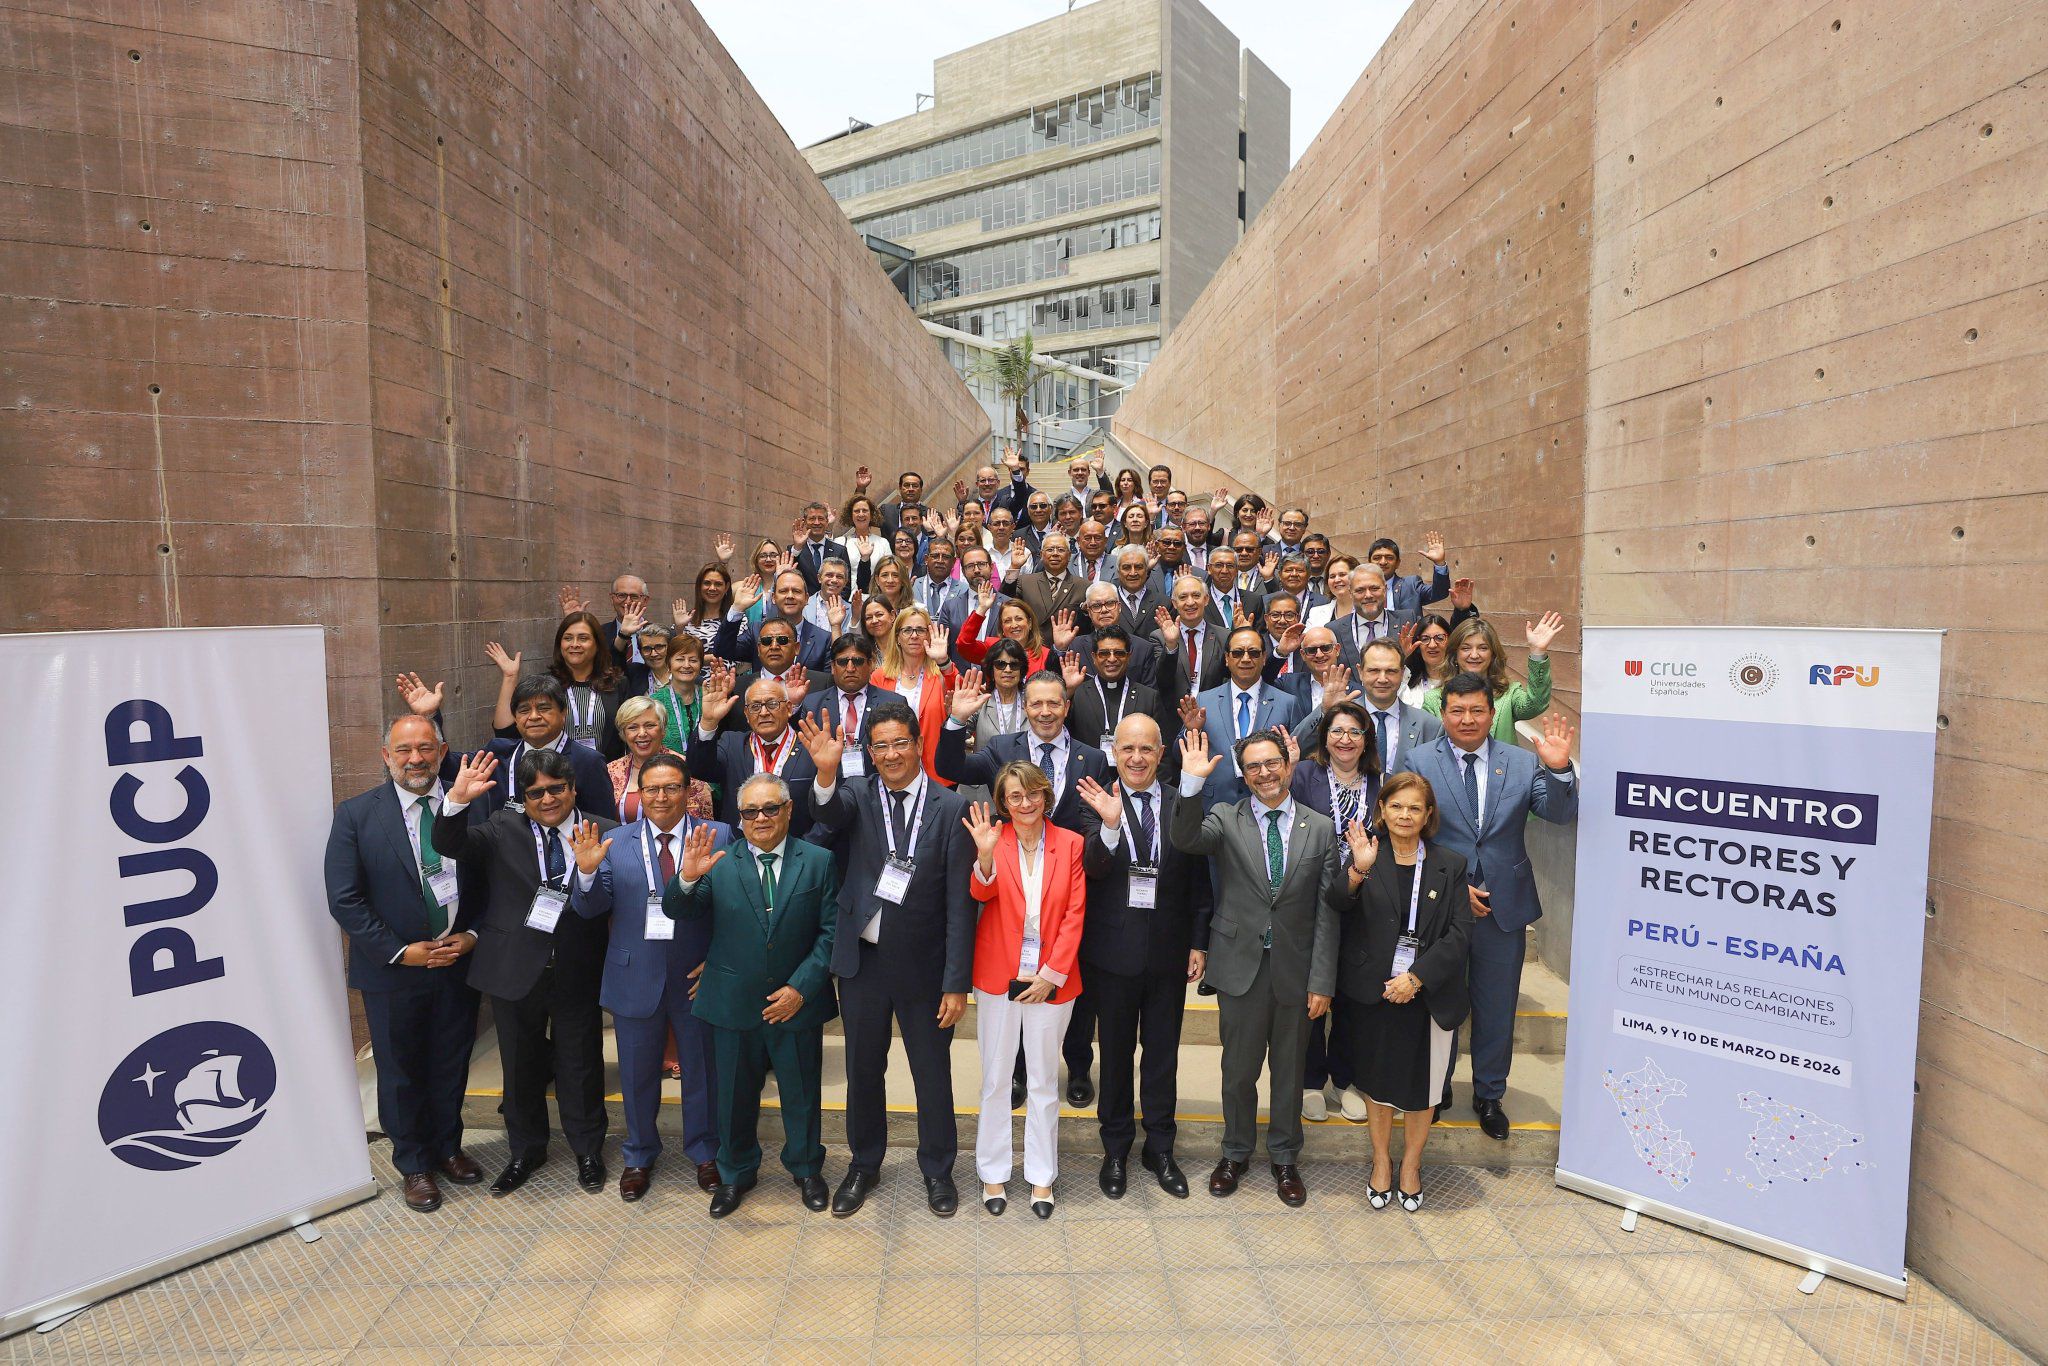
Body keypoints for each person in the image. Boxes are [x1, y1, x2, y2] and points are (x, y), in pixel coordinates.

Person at [799, 701, 977, 1217]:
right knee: (863, 1070)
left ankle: (938, 1169)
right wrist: (826, 773)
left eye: (901, 742)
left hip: (926, 968)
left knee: (931, 1073)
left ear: (919, 744)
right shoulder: (856, 794)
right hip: (865, 964)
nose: (892, 754)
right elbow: (826, 813)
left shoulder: (952, 807)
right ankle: (864, 1164)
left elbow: (960, 904)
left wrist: (955, 982)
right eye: (881, 746)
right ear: (870, 753)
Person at [1398, 677, 1577, 1139]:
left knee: (1497, 1006)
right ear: (1443, 713)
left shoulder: (1521, 761)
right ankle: (1435, 1089)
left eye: (1477, 710)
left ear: (1491, 713)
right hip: (1440, 909)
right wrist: (1455, 889)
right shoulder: (1420, 761)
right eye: (1457, 711)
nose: (1467, 720)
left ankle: (1490, 1094)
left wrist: (1559, 770)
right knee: (1438, 1002)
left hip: (1504, 909)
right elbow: (1408, 832)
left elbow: (1558, 813)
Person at [1170, 728, 1341, 1207]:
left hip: (1296, 970)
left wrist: (1322, 980)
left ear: (1288, 765)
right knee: (1239, 1071)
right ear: (1243, 775)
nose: (1264, 773)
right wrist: (1191, 783)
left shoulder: (1319, 827)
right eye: (1253, 767)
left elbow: (1327, 913)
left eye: (1271, 763)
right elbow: (1185, 838)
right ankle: (1235, 1153)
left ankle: (1285, 1158)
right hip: (1239, 967)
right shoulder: (1226, 818)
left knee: (1289, 1072)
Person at [433, 748, 612, 1196]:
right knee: (519, 1066)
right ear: (524, 798)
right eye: (536, 793)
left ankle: (588, 1151)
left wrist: (588, 874)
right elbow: (450, 845)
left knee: (581, 1064)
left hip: (577, 968)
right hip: (512, 967)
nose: (547, 799)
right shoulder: (501, 828)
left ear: (573, 788)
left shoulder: (606, 832)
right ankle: (526, 1152)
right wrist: (456, 802)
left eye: (556, 789)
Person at [324, 715, 483, 1213]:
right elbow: (345, 898)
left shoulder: (470, 805)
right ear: (386, 756)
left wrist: (473, 936)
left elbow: (494, 881)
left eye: (425, 748)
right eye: (404, 750)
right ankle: (414, 1164)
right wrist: (399, 950)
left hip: (456, 963)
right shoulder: (356, 815)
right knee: (400, 1071)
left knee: (451, 1062)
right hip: (393, 970)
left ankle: (448, 1148)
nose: (416, 759)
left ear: (443, 751)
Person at [667, 775, 839, 1217]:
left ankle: (806, 1168)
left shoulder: (818, 861)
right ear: (739, 818)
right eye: (750, 811)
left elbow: (830, 932)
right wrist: (687, 877)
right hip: (732, 1001)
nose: (760, 818)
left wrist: (801, 988)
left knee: (801, 1093)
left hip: (795, 1003)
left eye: (770, 809)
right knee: (733, 1097)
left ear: (788, 810)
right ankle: (735, 1173)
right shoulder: (719, 862)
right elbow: (678, 910)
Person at [571, 752, 728, 1201]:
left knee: (702, 1071)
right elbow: (590, 908)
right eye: (652, 789)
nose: (661, 797)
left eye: (671, 788)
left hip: (696, 976)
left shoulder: (717, 835)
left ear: (688, 791)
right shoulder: (613, 841)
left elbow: (733, 905)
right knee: (637, 1075)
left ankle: (705, 1151)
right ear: (639, 794)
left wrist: (719, 959)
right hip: (634, 974)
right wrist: (586, 873)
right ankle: (639, 1155)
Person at [1072, 717, 1210, 1200]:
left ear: (1160, 753)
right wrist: (1110, 826)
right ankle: (1115, 1149)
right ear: (1114, 752)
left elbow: (1199, 881)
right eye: (1127, 748)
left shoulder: (1183, 802)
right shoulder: (1094, 798)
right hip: (1111, 956)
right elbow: (1092, 867)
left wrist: (1198, 942)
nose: (1136, 758)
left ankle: (1160, 1148)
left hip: (1169, 955)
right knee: (1114, 1058)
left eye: (1146, 749)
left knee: (1162, 1056)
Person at [1327, 772, 1472, 1210]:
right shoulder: (1367, 856)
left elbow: (1460, 933)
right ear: (1382, 810)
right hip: (1374, 993)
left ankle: (1410, 1165)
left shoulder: (1450, 864)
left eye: (1414, 808)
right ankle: (1380, 1162)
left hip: (1428, 995)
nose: (1404, 815)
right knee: (1376, 1084)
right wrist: (1358, 869)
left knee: (1423, 1089)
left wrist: (1417, 977)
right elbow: (1336, 903)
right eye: (1396, 806)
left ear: (1428, 815)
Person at [964, 764, 1086, 1218]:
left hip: (1051, 978)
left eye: (1033, 793)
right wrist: (985, 858)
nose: (1025, 803)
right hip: (998, 975)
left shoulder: (1070, 843)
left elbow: (1075, 913)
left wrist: (1052, 973)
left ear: (1045, 796)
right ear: (1003, 802)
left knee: (1042, 1080)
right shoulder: (993, 840)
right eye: (1015, 796)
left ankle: (1041, 1176)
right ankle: (993, 1171)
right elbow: (980, 894)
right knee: (996, 1078)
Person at [1287, 700, 1382, 1123]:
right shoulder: (1303, 776)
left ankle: (1345, 1081)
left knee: (1352, 996)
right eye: (1337, 731)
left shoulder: (1382, 783)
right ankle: (1310, 1080)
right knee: (1310, 992)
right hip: (1309, 899)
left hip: (1363, 902)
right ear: (1324, 737)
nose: (1345, 739)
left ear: (1366, 740)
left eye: (1355, 732)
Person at [691, 673, 824, 842]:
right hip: (741, 850)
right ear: (746, 714)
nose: (763, 712)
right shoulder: (732, 744)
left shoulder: (811, 747)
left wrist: (804, 848)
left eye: (772, 704)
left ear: (789, 708)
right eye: (755, 707)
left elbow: (828, 809)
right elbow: (699, 769)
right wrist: (708, 722)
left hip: (799, 849)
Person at [470, 672, 617, 821]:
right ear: (515, 718)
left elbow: (603, 822)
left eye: (543, 708)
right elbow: (454, 762)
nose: (534, 716)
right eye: (524, 710)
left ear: (563, 713)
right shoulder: (497, 753)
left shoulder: (588, 761)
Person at [1185, 626, 1304, 808]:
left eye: (1254, 653)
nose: (1246, 659)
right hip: (1217, 804)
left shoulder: (1288, 703)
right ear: (1227, 658)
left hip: (1269, 801)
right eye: (1238, 653)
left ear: (1264, 658)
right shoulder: (1204, 700)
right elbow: (1180, 755)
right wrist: (1192, 731)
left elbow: (1298, 758)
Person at [1423, 613, 1561, 744]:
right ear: (1455, 654)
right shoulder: (1434, 700)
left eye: (1483, 648)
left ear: (1493, 654)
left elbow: (1535, 705)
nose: (1474, 655)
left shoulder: (1508, 695)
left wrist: (1538, 652)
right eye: (1466, 648)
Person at [873, 605, 952, 783]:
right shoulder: (879, 677)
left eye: (920, 630)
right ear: (897, 637)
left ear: (929, 636)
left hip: (935, 771)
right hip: (893, 767)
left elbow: (959, 694)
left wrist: (943, 661)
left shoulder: (942, 674)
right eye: (907, 630)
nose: (914, 635)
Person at [544, 611, 637, 760]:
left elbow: (631, 731)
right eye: (568, 638)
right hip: (557, 771)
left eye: (583, 638)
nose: (575, 644)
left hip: (607, 770)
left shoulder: (618, 684)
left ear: (597, 644)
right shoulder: (546, 685)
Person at [796, 633, 892, 777]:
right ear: (833, 667)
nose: (850, 668)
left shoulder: (891, 703)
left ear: (871, 664)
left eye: (858, 661)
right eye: (842, 662)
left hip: (877, 785)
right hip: (829, 784)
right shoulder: (812, 704)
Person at [1355, 638, 1444, 777]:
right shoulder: (1340, 718)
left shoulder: (1429, 726)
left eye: (1391, 671)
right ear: (1360, 672)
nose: (1382, 679)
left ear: (1402, 673)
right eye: (1374, 670)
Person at [1063, 625, 1159, 750]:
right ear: (1094, 657)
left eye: (1119, 653)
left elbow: (1161, 750)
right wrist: (1068, 691)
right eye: (1104, 653)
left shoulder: (1149, 697)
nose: (1112, 659)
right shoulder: (1077, 694)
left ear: (1128, 656)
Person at [609, 695, 698, 823]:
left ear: (663, 730)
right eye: (633, 727)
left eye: (650, 725)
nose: (642, 733)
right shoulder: (611, 771)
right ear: (624, 734)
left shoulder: (686, 768)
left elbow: (700, 822)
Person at [723, 569, 832, 671]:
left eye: (796, 591)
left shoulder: (823, 639)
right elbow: (724, 650)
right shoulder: (756, 631)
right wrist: (737, 609)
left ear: (806, 598)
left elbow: (827, 681)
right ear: (774, 598)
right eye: (783, 591)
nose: (790, 596)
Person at [1062, 581, 1163, 688]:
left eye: (1110, 603)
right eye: (1096, 606)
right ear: (1089, 611)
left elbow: (1150, 693)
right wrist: (1060, 648)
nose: (1104, 610)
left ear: (1119, 607)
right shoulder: (1075, 646)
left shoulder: (1142, 648)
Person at [1152, 573, 1227, 701]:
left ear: (1206, 599)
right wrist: (1171, 645)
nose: (1190, 602)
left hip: (1213, 708)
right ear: (1174, 603)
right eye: (1183, 597)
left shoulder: (1224, 636)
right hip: (1174, 710)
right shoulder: (1159, 637)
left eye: (1196, 595)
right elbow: (1162, 681)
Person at [1331, 563, 1418, 668]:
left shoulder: (1407, 620)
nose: (1368, 595)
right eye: (1360, 590)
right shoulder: (1334, 630)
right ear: (1350, 593)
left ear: (1385, 589)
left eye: (1374, 588)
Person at [956, 593, 1052, 676]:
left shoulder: (1046, 655)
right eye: (1007, 621)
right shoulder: (992, 649)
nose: (1014, 625)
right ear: (1002, 628)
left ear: (1030, 623)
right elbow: (964, 644)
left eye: (1019, 619)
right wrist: (982, 609)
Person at [1014, 531, 1089, 626]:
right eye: (1050, 550)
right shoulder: (1025, 582)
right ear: (1041, 554)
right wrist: (1014, 567)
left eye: (1061, 550)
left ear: (1069, 555)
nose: (1055, 554)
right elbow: (1004, 602)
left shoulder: (1083, 586)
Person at [1367, 534, 1451, 616]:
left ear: (1398, 563)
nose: (1383, 562)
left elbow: (1440, 592)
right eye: (1377, 558)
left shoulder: (1411, 585)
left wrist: (1439, 563)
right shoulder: (1361, 589)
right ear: (1369, 563)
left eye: (1389, 558)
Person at [836, 494, 891, 591]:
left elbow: (888, 571)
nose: (861, 514)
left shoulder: (883, 543)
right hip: (847, 596)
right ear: (851, 515)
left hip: (875, 596)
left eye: (865, 510)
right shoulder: (840, 542)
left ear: (871, 514)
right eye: (857, 511)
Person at [680, 560, 735, 655]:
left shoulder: (737, 619)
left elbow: (741, 654)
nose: (712, 588)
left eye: (718, 584)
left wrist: (700, 658)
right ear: (699, 586)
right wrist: (679, 628)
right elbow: (678, 655)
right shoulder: (686, 620)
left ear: (726, 587)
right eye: (707, 583)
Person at [1400, 613, 1454, 706]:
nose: (1432, 645)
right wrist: (1404, 656)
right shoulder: (1406, 680)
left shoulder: (1460, 679)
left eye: (1439, 638)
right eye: (1425, 639)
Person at [1110, 546, 1166, 635]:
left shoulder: (1163, 603)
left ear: (1147, 570)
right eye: (1126, 567)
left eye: (1138, 567)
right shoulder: (1107, 603)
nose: (1133, 573)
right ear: (1118, 571)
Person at [1204, 548, 1262, 632]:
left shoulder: (1254, 600)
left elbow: (1261, 634)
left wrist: (1247, 632)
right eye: (1219, 565)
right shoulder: (1201, 601)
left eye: (1230, 566)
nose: (1224, 571)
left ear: (1237, 569)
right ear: (1209, 569)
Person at [1072, 519, 1113, 583]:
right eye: (1087, 538)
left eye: (1098, 538)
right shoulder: (1067, 563)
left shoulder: (1117, 563)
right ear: (1078, 541)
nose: (1093, 543)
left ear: (1105, 541)